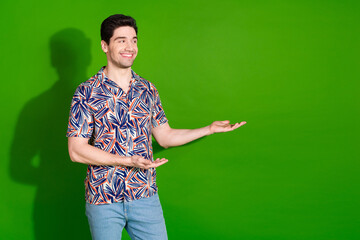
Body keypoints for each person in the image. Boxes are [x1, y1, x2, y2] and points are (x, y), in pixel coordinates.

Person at [66, 14, 246, 240]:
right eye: (121, 40)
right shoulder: (87, 92)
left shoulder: (147, 89)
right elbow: (76, 150)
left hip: (144, 196)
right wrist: (128, 161)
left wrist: (208, 129)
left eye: (134, 40)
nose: (130, 47)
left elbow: (165, 136)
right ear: (105, 45)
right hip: (103, 198)